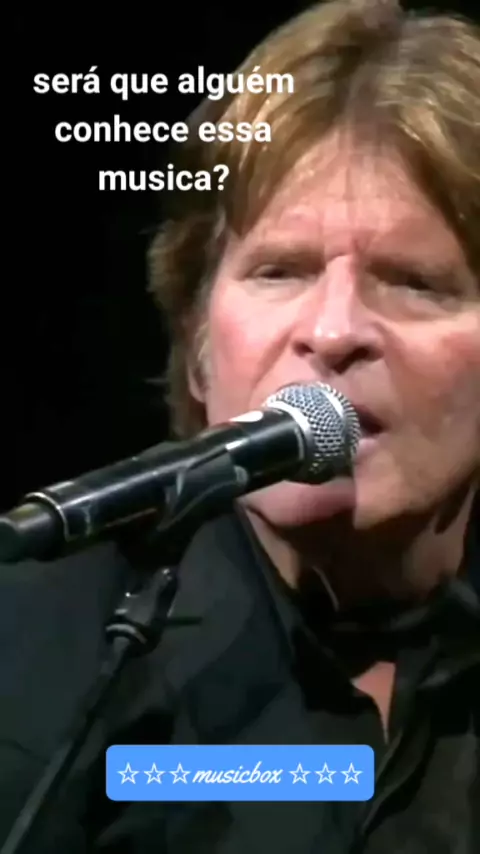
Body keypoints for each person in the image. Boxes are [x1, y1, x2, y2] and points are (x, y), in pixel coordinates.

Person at [1, 0, 479, 851]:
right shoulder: (33, 652)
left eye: (414, 280)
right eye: (279, 271)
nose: (331, 331)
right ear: (198, 348)